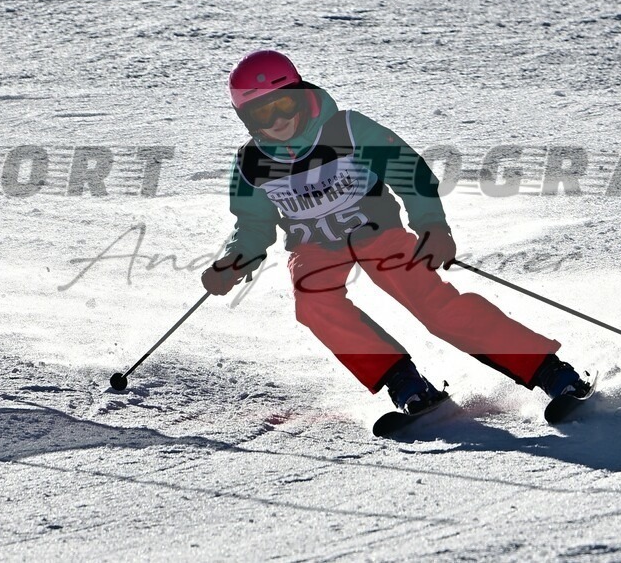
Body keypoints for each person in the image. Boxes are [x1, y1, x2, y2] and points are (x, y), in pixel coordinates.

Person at [202, 49, 589, 415]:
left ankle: (549, 370)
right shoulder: (250, 162)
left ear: (302, 96)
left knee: (435, 307)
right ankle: (403, 382)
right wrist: (233, 262)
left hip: (377, 233)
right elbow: (252, 224)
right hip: (314, 245)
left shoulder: (347, 129)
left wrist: (431, 225)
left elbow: (410, 174)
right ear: (246, 120)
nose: (277, 121)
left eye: (285, 105)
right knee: (314, 304)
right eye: (262, 114)